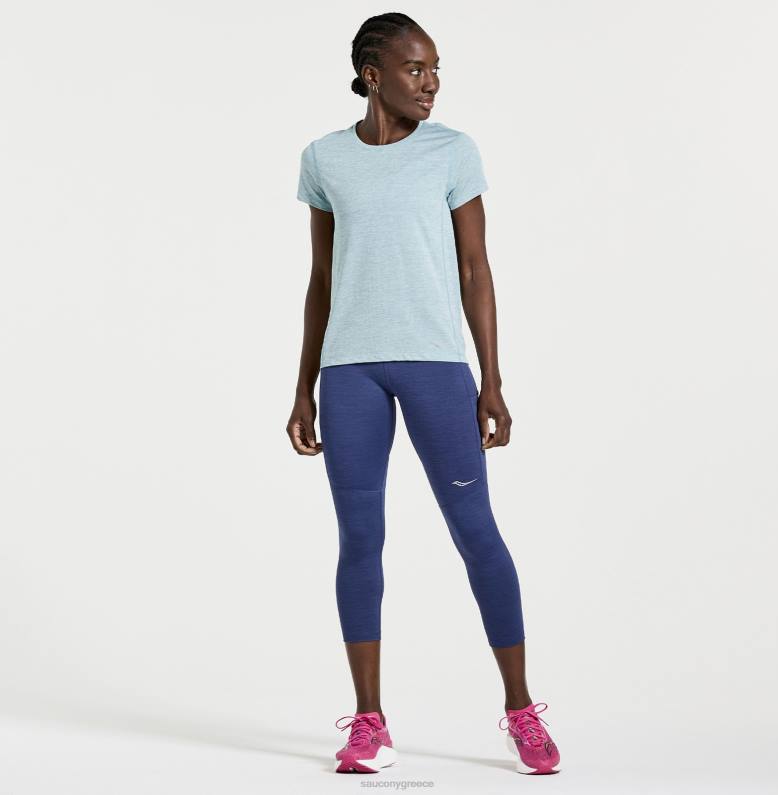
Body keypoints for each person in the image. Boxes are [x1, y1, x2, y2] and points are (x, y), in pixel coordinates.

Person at [287, 12, 561, 776]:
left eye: (435, 68)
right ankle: (369, 722)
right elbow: (321, 279)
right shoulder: (324, 158)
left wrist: (491, 379)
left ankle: (520, 709)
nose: (431, 82)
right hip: (350, 372)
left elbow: (476, 269)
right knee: (359, 541)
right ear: (372, 75)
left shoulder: (451, 151)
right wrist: (303, 385)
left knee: (476, 532)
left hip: (437, 366)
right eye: (415, 69)